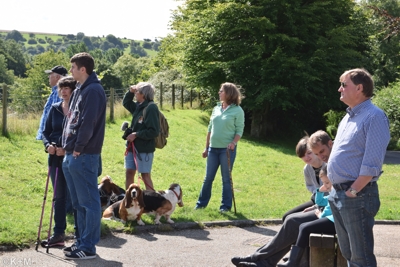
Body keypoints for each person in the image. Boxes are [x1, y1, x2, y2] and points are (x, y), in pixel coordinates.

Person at [327, 68, 390, 267]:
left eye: (344, 85)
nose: (339, 89)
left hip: (357, 195)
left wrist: (353, 191)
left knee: (360, 257)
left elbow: (372, 162)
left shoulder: (374, 117)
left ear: (359, 88)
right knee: (349, 254)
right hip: (339, 194)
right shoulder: (348, 117)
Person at [61, 52, 106, 260]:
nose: (70, 71)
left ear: (83, 69)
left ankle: (88, 247)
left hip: (84, 154)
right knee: (79, 202)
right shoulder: (80, 88)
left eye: (73, 67)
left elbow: (88, 123)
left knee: (89, 201)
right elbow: (73, 119)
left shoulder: (94, 91)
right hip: (73, 153)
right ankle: (80, 241)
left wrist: (78, 147)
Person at [195, 82, 245, 212]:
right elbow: (210, 129)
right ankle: (201, 204)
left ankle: (225, 207)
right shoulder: (216, 108)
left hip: (227, 150)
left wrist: (233, 143)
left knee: (226, 179)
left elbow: (239, 130)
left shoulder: (238, 110)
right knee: (208, 178)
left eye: (221, 91)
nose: (219, 93)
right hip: (213, 149)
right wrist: (206, 147)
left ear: (229, 93)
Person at [41, 77, 76, 247]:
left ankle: (80, 234)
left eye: (67, 87)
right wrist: (48, 145)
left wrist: (67, 149)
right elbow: (45, 132)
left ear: (73, 90)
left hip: (72, 158)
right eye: (61, 88)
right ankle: (58, 234)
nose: (63, 91)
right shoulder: (54, 109)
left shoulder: (78, 109)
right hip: (54, 158)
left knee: (76, 197)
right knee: (59, 197)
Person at [278, 165, 335, 267]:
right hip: (331, 220)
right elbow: (321, 202)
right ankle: (294, 260)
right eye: (324, 183)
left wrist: (320, 215)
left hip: (334, 222)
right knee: (303, 227)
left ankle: (293, 262)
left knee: (304, 228)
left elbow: (326, 212)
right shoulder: (332, 191)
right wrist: (320, 191)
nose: (325, 186)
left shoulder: (336, 192)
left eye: (327, 183)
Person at [122, 82, 160, 190]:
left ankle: (152, 202)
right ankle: (129, 201)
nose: (135, 93)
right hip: (132, 147)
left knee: (145, 176)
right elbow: (126, 103)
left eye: (137, 91)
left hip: (144, 148)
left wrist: (136, 134)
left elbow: (154, 131)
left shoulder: (151, 108)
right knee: (129, 173)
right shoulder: (138, 106)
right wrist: (130, 91)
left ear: (143, 94)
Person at [282, 136, 325, 222]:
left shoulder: (327, 166)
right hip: (316, 200)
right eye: (302, 156)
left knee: (294, 220)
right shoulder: (307, 169)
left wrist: (316, 206)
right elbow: (309, 185)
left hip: (326, 203)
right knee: (286, 216)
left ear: (315, 151)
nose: (306, 157)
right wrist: (317, 191)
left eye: (309, 153)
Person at [36, 65, 68, 140]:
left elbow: (59, 114)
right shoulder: (55, 91)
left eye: (50, 75)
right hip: (50, 134)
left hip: (55, 136)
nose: (48, 77)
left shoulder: (60, 93)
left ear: (57, 77)